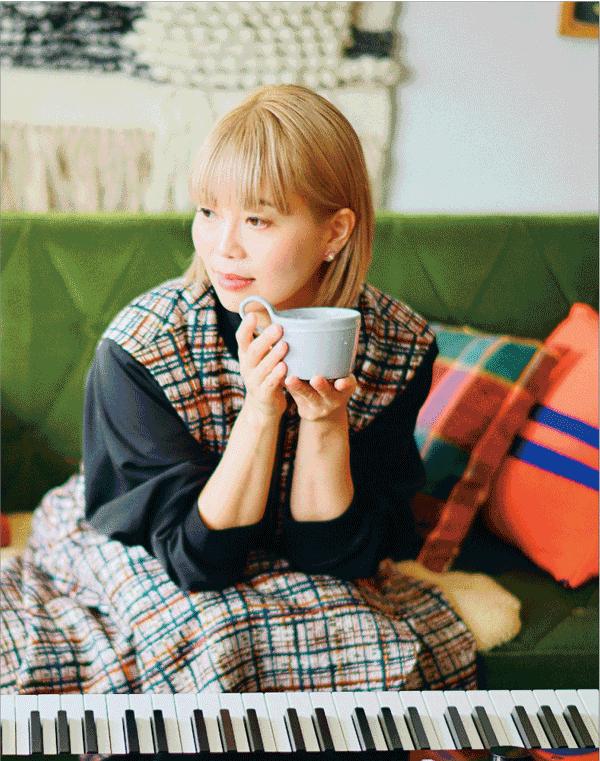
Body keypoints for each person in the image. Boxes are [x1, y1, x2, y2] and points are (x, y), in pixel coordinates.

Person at [0, 85, 476, 693]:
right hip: (146, 541)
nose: (224, 245)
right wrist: (261, 410)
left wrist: (326, 422)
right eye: (208, 211)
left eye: (257, 219)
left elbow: (335, 557)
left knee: (363, 639)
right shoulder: (144, 345)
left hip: (283, 550)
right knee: (216, 635)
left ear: (335, 232)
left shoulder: (396, 344)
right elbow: (200, 563)